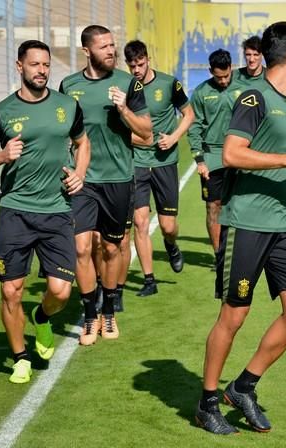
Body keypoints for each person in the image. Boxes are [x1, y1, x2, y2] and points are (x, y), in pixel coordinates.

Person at [195, 21, 286, 435]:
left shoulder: (284, 100)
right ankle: (207, 402)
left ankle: (244, 386)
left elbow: (267, 154)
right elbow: (232, 154)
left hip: (285, 224)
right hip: (247, 224)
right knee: (234, 316)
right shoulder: (254, 96)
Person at [0, 40, 90, 382]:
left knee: (62, 292)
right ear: (20, 67)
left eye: (46, 65)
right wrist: (1, 157)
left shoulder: (67, 105)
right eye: (34, 65)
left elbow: (83, 142)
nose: (42, 71)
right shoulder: (2, 111)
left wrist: (79, 173)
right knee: (10, 290)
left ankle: (42, 317)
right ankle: (20, 356)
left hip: (57, 210)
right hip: (16, 211)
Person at [60, 25, 152, 344]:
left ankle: (109, 311)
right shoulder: (68, 86)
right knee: (82, 247)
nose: (111, 51)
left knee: (112, 248)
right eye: (104, 47)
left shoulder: (129, 83)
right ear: (87, 51)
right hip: (82, 180)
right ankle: (89, 316)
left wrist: (124, 109)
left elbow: (147, 132)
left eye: (113, 45)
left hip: (118, 179)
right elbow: (61, 130)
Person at [124, 39, 193, 297]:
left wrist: (174, 137)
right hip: (137, 163)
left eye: (140, 64)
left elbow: (189, 115)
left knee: (167, 226)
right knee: (140, 222)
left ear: (148, 59)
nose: (136, 70)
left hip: (165, 162)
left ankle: (171, 245)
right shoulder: (125, 87)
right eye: (132, 66)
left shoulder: (169, 83)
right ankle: (149, 279)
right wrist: (136, 139)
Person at [188, 49, 234, 255]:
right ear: (210, 72)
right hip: (212, 158)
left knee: (239, 206)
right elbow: (194, 126)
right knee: (213, 206)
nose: (223, 81)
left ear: (231, 68)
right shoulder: (201, 93)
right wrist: (199, 160)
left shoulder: (244, 88)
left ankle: (239, 252)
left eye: (226, 76)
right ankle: (219, 255)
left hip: (239, 155)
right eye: (218, 77)